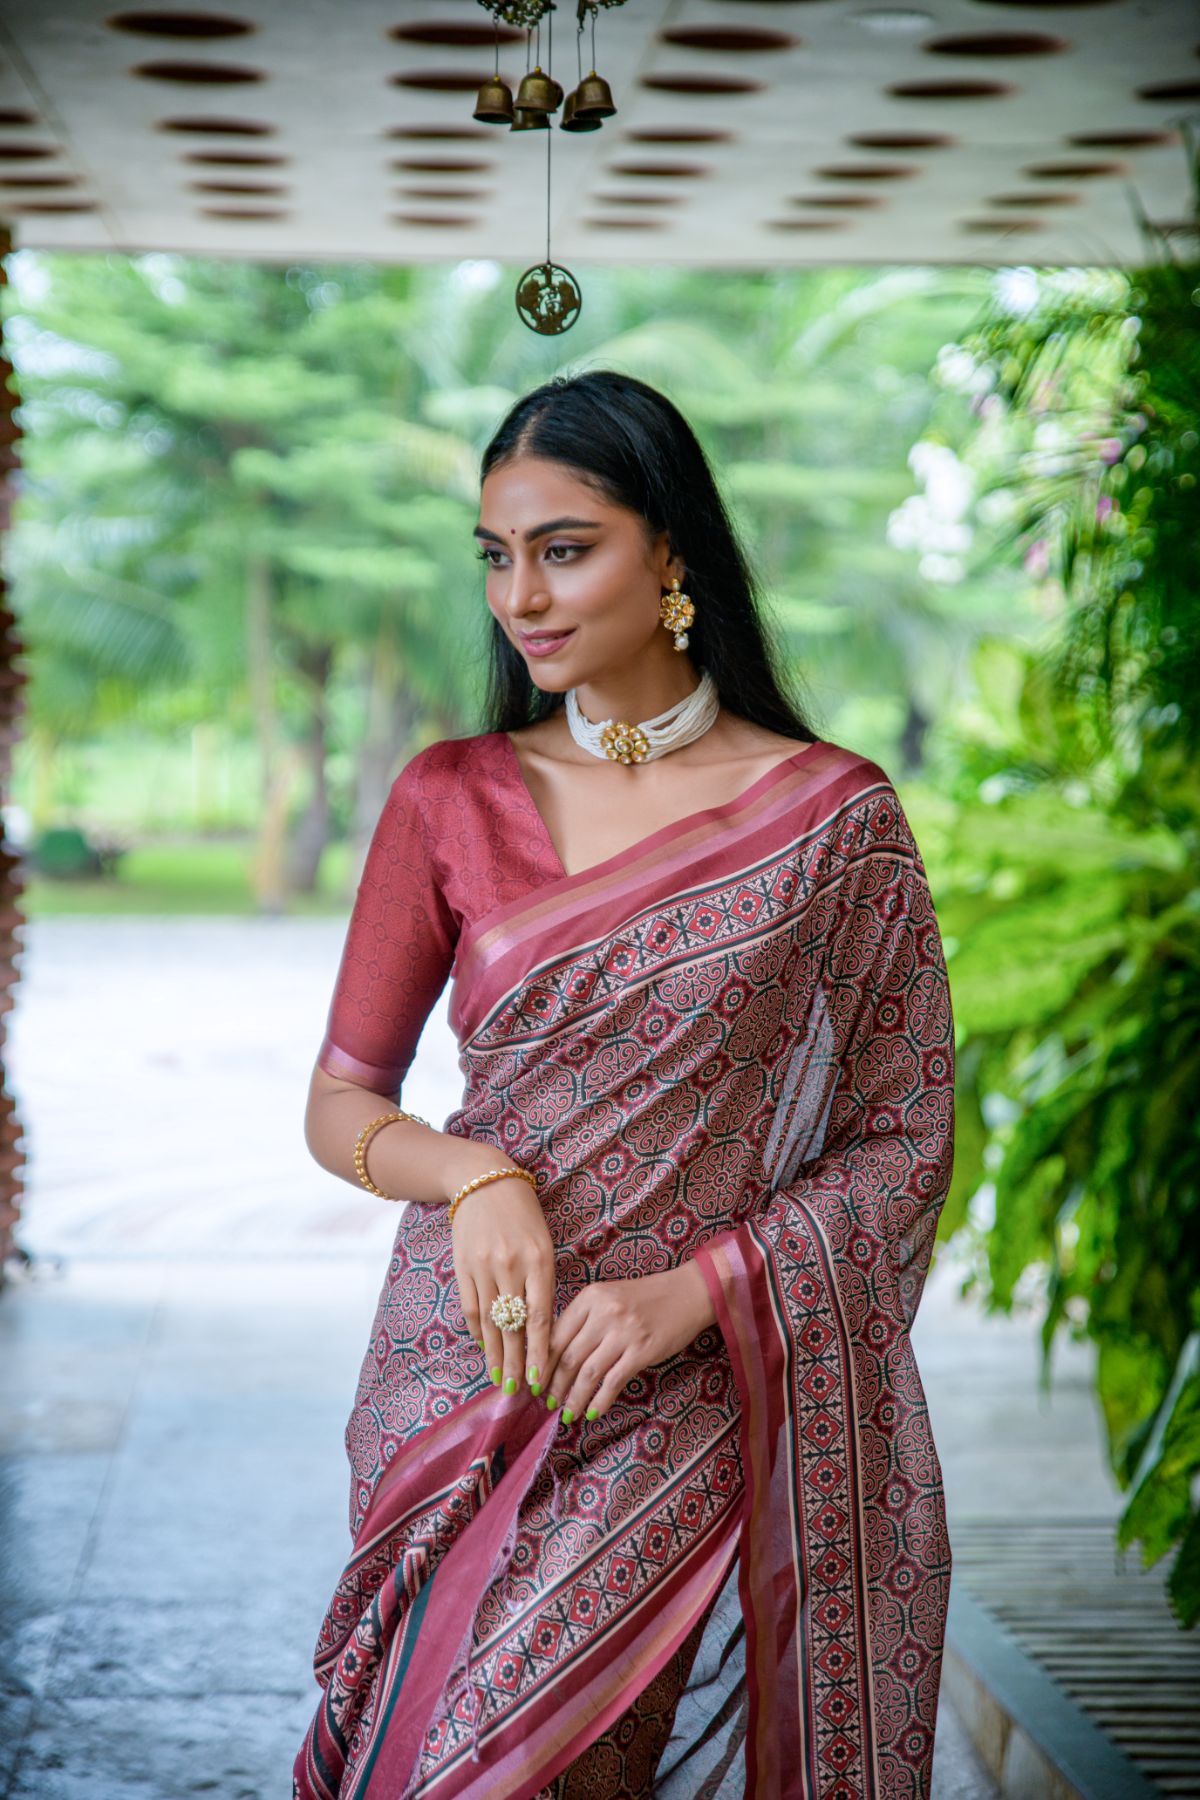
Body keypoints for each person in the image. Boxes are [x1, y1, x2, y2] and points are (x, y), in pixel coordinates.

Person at [292, 369, 955, 1800]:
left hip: (689, 1387)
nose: (520, 594)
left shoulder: (831, 820)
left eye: (564, 547)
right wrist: (475, 1175)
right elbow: (341, 1102)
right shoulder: (448, 796)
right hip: (454, 1379)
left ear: (670, 553)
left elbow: (905, 1137)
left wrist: (696, 1295)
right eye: (496, 555)